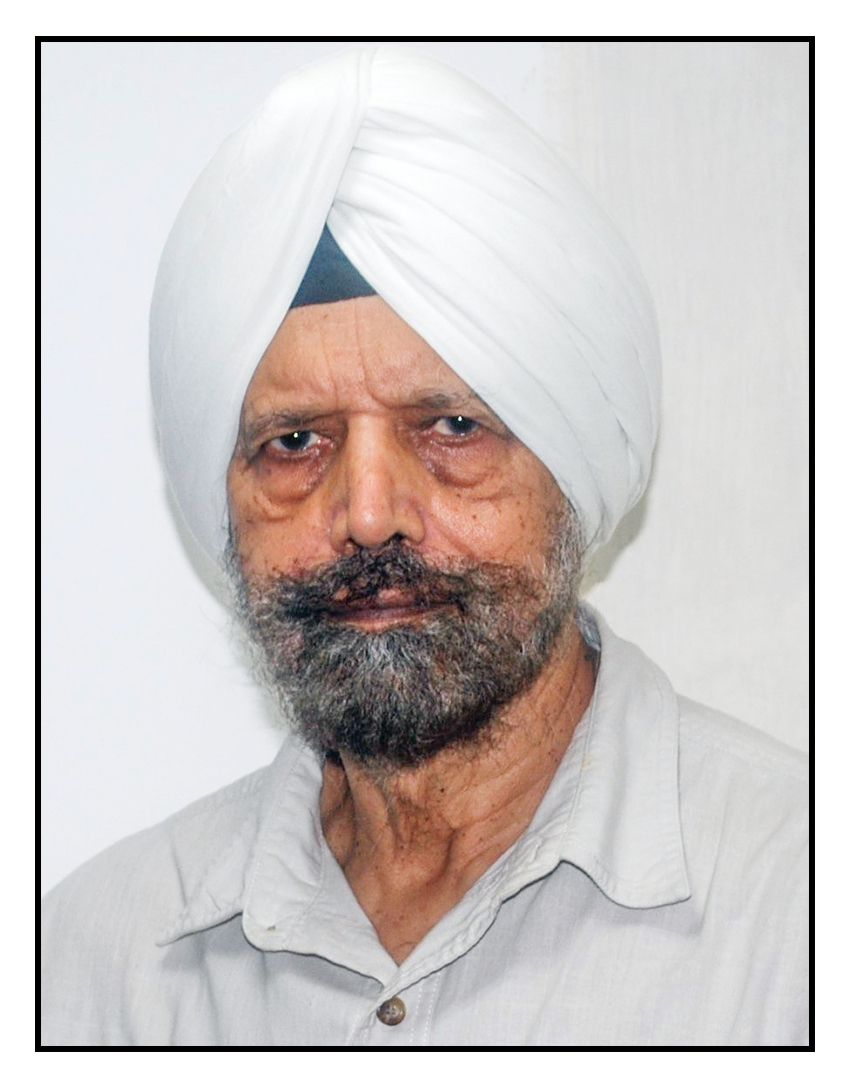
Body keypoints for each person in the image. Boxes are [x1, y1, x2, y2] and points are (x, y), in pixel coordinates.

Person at [41, 46, 808, 1047]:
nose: (368, 514)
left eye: (451, 427)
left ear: (570, 467)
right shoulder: (92, 967)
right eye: (295, 442)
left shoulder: (796, 912)